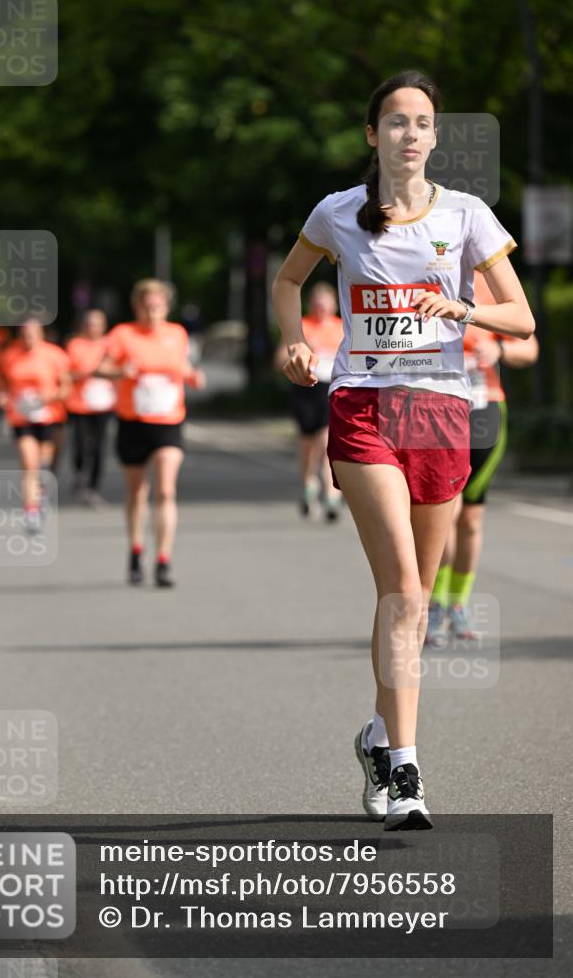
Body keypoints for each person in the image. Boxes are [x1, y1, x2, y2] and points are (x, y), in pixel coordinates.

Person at [272, 70, 534, 829]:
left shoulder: (466, 214)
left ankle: (378, 738)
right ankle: (409, 771)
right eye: (394, 122)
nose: (408, 134)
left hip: (442, 412)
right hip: (363, 408)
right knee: (405, 594)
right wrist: (293, 340)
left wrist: (463, 306)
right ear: (371, 135)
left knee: (411, 605)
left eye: (421, 122)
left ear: (434, 136)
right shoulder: (336, 214)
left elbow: (518, 317)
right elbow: (288, 280)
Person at [426, 271, 539, 644]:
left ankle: (457, 605)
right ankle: (435, 605)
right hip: (437, 409)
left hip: (484, 411)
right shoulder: (427, 273)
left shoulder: (491, 283)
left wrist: (500, 350)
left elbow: (529, 345)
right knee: (447, 511)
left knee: (471, 518)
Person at [97, 279, 205, 588]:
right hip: (133, 422)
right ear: (137, 306)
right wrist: (120, 372)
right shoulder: (123, 334)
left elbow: (182, 366)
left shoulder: (177, 334)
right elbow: (101, 368)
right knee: (137, 492)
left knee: (166, 491)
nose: (152, 310)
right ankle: (135, 550)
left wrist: (193, 376)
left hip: (169, 422)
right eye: (146, 305)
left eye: (157, 305)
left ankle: (163, 559)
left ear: (166, 307)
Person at [275, 282, 345, 520]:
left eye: (325, 305)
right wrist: (300, 353)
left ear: (334, 305)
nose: (321, 309)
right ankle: (308, 485)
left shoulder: (342, 327)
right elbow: (279, 359)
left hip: (331, 390)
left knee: (327, 444)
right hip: (305, 390)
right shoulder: (303, 326)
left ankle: (332, 497)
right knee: (307, 445)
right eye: (317, 304)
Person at [0, 318, 71, 533]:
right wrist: (2, 396)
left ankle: (42, 492)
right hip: (21, 417)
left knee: (44, 466)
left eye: (33, 334)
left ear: (41, 334)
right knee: (30, 464)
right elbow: (2, 382)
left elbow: (66, 386)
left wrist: (52, 396)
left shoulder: (54, 355)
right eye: (25, 334)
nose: (28, 338)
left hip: (49, 416)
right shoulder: (10, 355)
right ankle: (31, 511)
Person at [65, 309, 115, 505]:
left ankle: (94, 486)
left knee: (99, 445)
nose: (93, 328)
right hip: (79, 403)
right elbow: (67, 373)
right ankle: (79, 473)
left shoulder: (110, 345)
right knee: (79, 443)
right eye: (90, 324)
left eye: (97, 324)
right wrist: (89, 373)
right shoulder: (74, 345)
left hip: (103, 403)